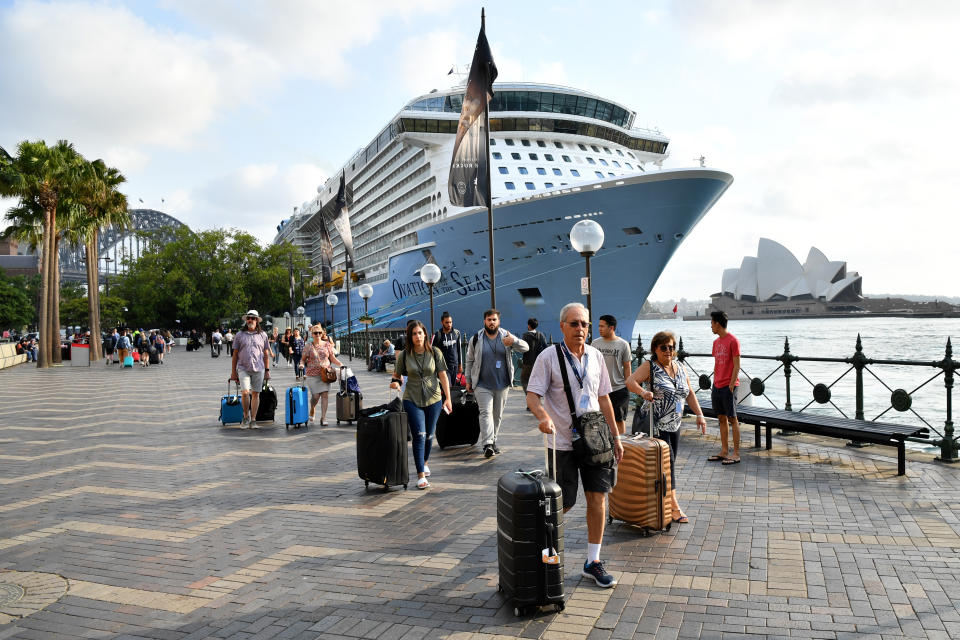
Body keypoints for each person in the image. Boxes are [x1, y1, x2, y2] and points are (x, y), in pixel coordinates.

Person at [526, 302, 624, 589]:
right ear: (562, 326)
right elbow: (533, 396)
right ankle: (543, 553)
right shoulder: (548, 357)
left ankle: (593, 561)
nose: (580, 329)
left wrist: (616, 437)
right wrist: (543, 417)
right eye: (574, 323)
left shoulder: (595, 356)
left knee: (598, 498)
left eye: (584, 324)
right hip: (563, 442)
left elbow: (604, 397)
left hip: (596, 440)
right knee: (562, 503)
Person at [625, 330, 707, 523]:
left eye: (671, 347)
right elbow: (630, 381)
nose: (668, 351)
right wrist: (643, 393)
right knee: (667, 463)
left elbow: (689, 393)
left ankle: (661, 502)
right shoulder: (650, 366)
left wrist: (700, 415)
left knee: (668, 464)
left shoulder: (680, 366)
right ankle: (674, 507)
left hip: (675, 423)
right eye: (664, 347)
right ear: (655, 349)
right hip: (655, 423)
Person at [390, 320, 453, 489]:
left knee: (429, 435)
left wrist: (448, 398)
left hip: (434, 398)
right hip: (412, 398)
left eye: (420, 333)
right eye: (414, 334)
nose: (417, 336)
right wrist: (395, 382)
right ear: (410, 337)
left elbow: (443, 376)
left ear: (425, 334)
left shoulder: (435, 352)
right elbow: (396, 374)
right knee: (419, 435)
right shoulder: (404, 355)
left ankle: (425, 461)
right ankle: (420, 475)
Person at [465, 309, 529, 458]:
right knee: (485, 413)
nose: (491, 322)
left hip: (502, 383)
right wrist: (468, 380)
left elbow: (526, 348)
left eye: (494, 320)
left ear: (498, 321)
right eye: (489, 319)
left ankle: (493, 441)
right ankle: (487, 444)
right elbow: (469, 360)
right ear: (484, 321)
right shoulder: (476, 338)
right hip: (482, 384)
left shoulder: (506, 336)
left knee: (497, 415)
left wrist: (513, 341)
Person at [229, 310, 272, 428]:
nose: (250, 320)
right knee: (245, 393)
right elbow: (235, 355)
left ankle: (253, 420)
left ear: (257, 321)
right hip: (243, 368)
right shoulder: (239, 335)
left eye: (253, 318)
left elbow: (266, 354)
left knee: (256, 394)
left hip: (259, 368)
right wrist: (233, 372)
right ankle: (246, 416)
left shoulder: (263, 335)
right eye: (248, 318)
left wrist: (267, 371)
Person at [709, 310, 742, 465]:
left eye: (712, 323)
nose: (711, 326)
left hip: (729, 387)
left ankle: (736, 453)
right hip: (717, 386)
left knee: (732, 419)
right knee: (721, 418)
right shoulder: (716, 343)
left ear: (718, 323)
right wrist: (715, 382)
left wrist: (731, 384)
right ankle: (724, 450)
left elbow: (737, 365)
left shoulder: (733, 341)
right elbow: (717, 364)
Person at [595, 315, 633, 434]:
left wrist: (628, 385)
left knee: (619, 419)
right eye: (599, 326)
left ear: (611, 327)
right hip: (600, 389)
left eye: (602, 326)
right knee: (600, 419)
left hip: (619, 388)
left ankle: (622, 445)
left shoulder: (623, 344)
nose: (599, 329)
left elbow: (627, 366)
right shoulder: (595, 343)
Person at [302, 325, 343, 425]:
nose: (318, 335)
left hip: (325, 374)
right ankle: (312, 408)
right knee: (315, 396)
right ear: (312, 334)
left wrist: (340, 364)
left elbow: (332, 358)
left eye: (320, 333)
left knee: (325, 395)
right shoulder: (308, 346)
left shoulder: (327, 344)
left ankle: (323, 418)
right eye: (315, 333)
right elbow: (303, 359)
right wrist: (301, 365)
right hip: (312, 374)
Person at [433, 312, 463, 384]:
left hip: (455, 365)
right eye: (446, 322)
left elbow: (459, 350)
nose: (449, 324)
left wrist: (460, 364)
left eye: (450, 322)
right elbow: (433, 352)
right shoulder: (438, 335)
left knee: (453, 387)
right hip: (444, 367)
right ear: (442, 322)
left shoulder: (457, 333)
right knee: (448, 386)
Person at [520, 317, 547, 395]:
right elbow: (546, 347)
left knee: (524, 380)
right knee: (536, 382)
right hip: (538, 363)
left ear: (528, 325)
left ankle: (529, 397)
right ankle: (535, 397)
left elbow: (522, 349)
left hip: (527, 363)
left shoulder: (525, 335)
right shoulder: (541, 335)